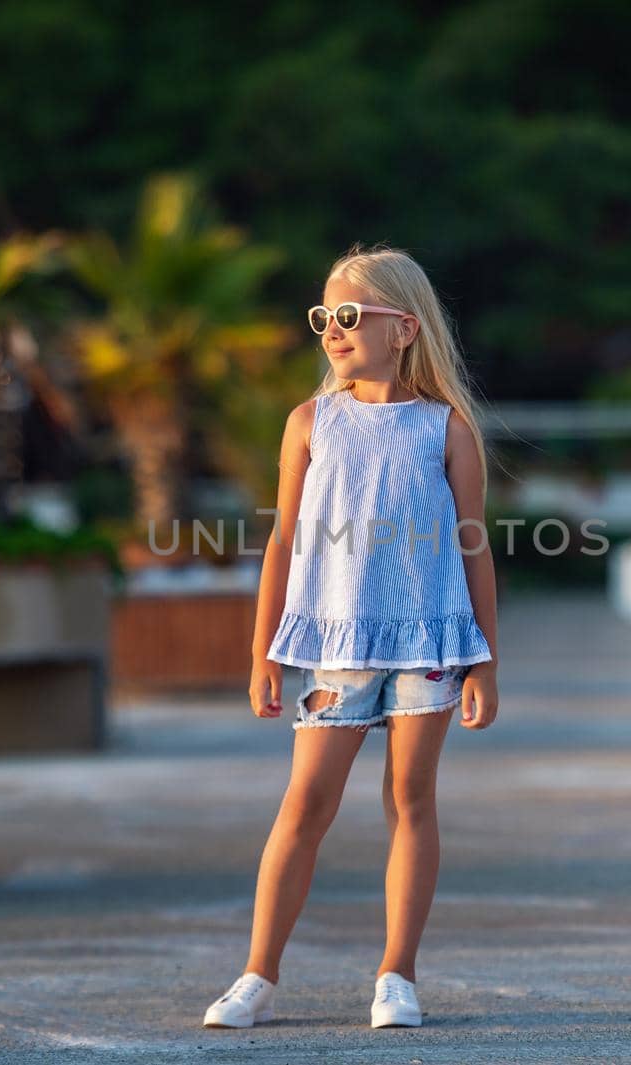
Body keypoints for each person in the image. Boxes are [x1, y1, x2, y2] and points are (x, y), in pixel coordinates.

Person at [202, 244, 500, 1031]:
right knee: (305, 802)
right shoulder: (311, 422)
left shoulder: (447, 429)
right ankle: (257, 974)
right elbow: (282, 541)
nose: (331, 330)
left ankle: (396, 974)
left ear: (403, 328)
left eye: (348, 315)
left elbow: (474, 543)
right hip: (336, 645)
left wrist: (485, 663)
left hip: (431, 645)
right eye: (323, 317)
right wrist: (265, 649)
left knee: (410, 798)